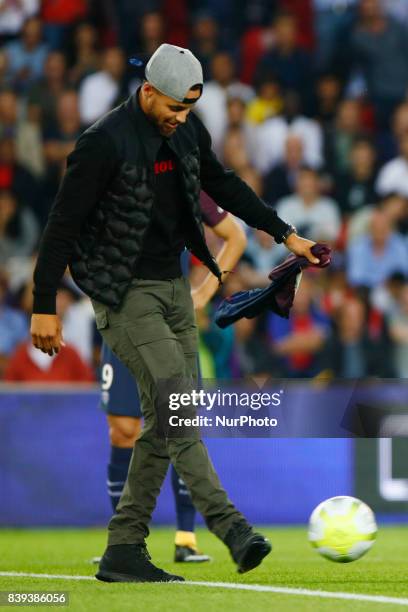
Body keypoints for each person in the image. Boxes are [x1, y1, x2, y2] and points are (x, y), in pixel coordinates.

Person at [30, 43, 319, 583]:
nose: (181, 119)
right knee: (178, 407)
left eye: (188, 109)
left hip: (173, 288)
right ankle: (230, 526)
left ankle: (123, 549)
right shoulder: (102, 143)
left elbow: (225, 184)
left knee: (168, 421)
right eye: (174, 108)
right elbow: (61, 225)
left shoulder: (186, 130)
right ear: (147, 92)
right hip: (124, 294)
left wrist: (287, 235)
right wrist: (43, 304)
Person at [100, 194, 247, 564]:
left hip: (169, 317)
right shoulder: (106, 175)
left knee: (179, 424)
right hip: (120, 316)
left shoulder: (185, 183)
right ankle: (124, 541)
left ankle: (186, 536)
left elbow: (233, 237)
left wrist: (204, 292)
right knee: (122, 429)